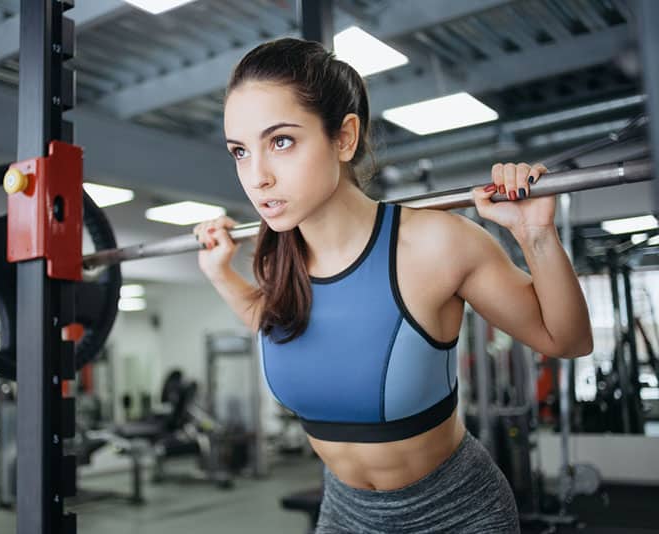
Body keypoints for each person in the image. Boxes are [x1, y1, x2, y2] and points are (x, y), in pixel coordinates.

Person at [193, 38, 593, 533]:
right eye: (240, 151)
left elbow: (568, 339)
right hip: (343, 514)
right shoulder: (280, 260)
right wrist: (220, 275)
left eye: (281, 142)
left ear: (344, 138)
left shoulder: (435, 243)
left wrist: (536, 235)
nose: (257, 177)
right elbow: (281, 326)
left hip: (455, 514)